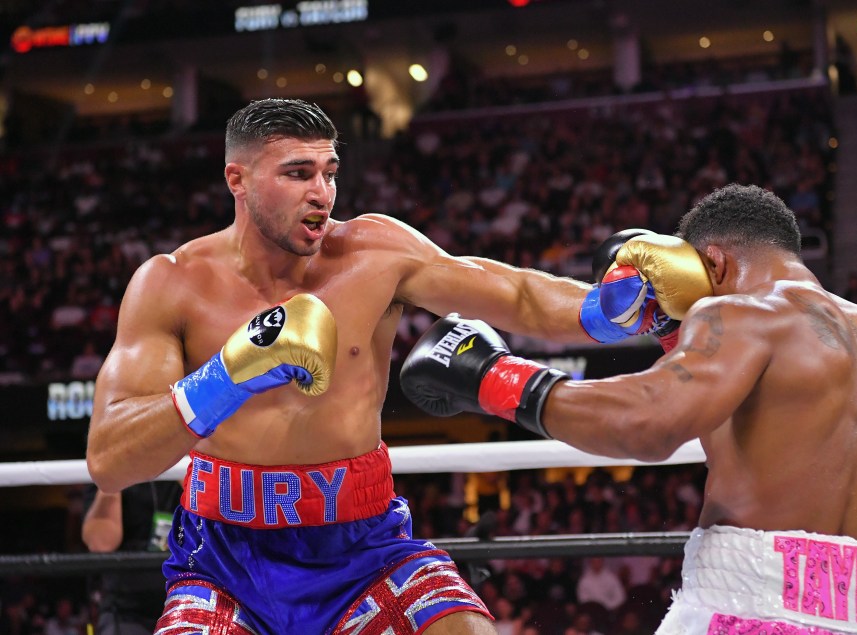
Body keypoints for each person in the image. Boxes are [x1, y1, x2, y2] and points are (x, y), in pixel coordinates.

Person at [85, 98, 628, 635]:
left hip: (365, 548)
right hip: (224, 561)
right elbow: (111, 459)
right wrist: (225, 376)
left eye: (329, 172)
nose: (321, 193)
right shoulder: (171, 283)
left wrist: (608, 310)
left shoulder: (374, 252)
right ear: (238, 180)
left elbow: (514, 293)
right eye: (298, 174)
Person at [401, 183, 857, 634]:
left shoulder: (741, 313)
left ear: (714, 261)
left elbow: (647, 422)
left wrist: (494, 377)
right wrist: (671, 336)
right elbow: (776, 436)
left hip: (759, 603)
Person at [82, 481, 183, 634]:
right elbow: (101, 543)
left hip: (190, 602)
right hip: (125, 609)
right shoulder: (108, 469)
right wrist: (113, 477)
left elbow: (215, 531)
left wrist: (191, 474)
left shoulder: (191, 465)